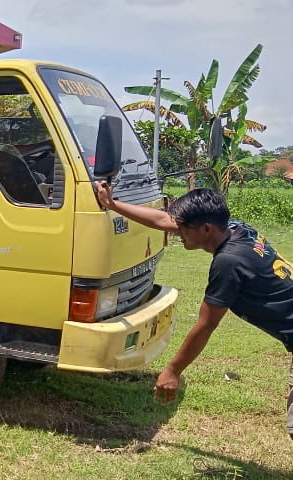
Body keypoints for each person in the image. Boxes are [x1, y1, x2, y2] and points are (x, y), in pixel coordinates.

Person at [95, 182, 293, 440]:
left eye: (183, 228)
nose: (178, 232)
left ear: (206, 229)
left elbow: (206, 325)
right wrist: (112, 204)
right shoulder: (237, 228)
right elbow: (163, 220)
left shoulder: (229, 262)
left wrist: (173, 370)